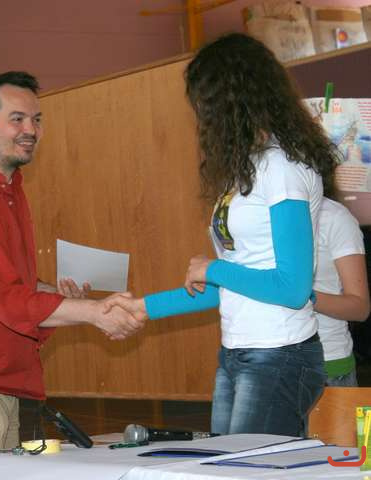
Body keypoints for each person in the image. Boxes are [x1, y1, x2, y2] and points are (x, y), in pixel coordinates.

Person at [104, 33, 338, 437]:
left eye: (205, 105)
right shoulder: (246, 171)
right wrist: (144, 308)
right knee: (222, 463)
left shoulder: (282, 169)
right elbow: (233, 285)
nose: (202, 118)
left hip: (278, 354)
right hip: (238, 353)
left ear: (234, 101)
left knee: (243, 466)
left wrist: (212, 269)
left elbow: (292, 288)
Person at [0, 71, 144, 458]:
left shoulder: (9, 190)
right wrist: (94, 313)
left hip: (0, 379)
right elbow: (8, 300)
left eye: (36, 119)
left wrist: (58, 296)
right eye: (16, 119)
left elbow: (9, 286)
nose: (30, 129)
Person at [313, 197, 370, 386]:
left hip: (328, 363)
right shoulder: (253, 210)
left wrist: (302, 294)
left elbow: (360, 308)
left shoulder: (333, 216)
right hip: (259, 360)